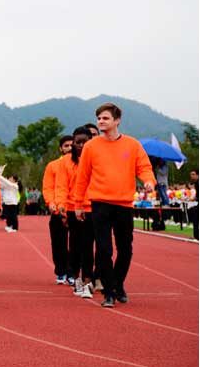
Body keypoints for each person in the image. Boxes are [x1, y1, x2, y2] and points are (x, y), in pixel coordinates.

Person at [72, 103, 155, 308]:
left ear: (117, 121)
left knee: (125, 249)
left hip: (124, 204)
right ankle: (109, 292)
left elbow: (143, 167)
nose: (101, 121)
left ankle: (118, 284)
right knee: (104, 249)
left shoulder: (132, 145)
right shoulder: (91, 146)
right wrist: (79, 204)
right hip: (99, 204)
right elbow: (82, 177)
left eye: (105, 118)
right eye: (99, 118)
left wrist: (148, 181)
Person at [55, 126, 95, 298]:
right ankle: (76, 277)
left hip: (92, 207)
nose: (81, 145)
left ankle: (88, 279)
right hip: (72, 208)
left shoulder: (96, 160)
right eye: (77, 142)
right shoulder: (65, 162)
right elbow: (61, 186)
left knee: (89, 246)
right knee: (75, 246)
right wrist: (61, 205)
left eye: (85, 142)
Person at [42, 135, 73, 285]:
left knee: (76, 243)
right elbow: (48, 187)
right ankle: (60, 271)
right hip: (57, 210)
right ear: (60, 148)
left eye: (72, 145)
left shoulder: (81, 163)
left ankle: (73, 271)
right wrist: (51, 203)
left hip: (74, 209)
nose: (69, 148)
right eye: (66, 145)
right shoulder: (52, 166)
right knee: (58, 243)